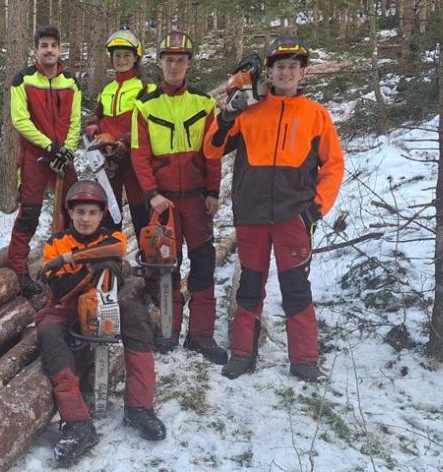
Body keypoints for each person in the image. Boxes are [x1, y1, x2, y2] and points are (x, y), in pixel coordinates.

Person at [204, 36, 345, 382]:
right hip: (252, 214)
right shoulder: (250, 109)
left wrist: (314, 209)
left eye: (293, 67)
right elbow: (211, 149)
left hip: (293, 216)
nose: (286, 72)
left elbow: (333, 166)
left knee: (296, 287)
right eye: (280, 66)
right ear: (270, 70)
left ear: (302, 72)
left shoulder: (316, 115)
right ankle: (242, 354)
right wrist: (227, 115)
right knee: (249, 287)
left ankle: (305, 360)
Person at [37, 180, 165, 467]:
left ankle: (140, 406)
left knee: (137, 317)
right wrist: (91, 265)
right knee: (48, 332)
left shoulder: (113, 238)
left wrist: (77, 262)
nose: (85, 218)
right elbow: (59, 287)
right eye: (80, 211)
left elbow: (115, 260)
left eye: (92, 212)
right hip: (66, 307)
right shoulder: (55, 243)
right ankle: (77, 422)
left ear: (101, 214)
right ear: (70, 212)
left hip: (105, 303)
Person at [129, 30, 227, 363]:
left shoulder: (204, 103)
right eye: (169, 60)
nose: (174, 65)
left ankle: (201, 335)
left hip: (197, 198)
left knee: (203, 263)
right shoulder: (144, 106)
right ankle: (169, 330)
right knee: (165, 265)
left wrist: (213, 191)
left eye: (180, 60)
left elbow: (213, 152)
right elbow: (139, 155)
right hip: (164, 201)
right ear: (159, 63)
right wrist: (152, 193)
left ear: (189, 63)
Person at [7, 25, 82, 297]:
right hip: (35, 156)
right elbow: (20, 120)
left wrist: (67, 150)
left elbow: (75, 120)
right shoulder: (23, 80)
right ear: (35, 50)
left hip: (63, 156)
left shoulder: (70, 82)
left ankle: (67, 263)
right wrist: (49, 145)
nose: (49, 50)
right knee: (30, 212)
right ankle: (18, 271)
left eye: (53, 45)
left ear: (60, 49)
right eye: (44, 46)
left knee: (73, 208)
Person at [84, 28, 151, 234]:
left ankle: (146, 252)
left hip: (134, 158)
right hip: (108, 158)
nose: (121, 60)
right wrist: (93, 128)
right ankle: (111, 252)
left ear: (135, 58)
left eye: (126, 55)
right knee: (110, 213)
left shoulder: (144, 88)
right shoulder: (108, 89)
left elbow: (147, 125)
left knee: (141, 211)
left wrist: (124, 142)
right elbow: (96, 116)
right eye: (117, 56)